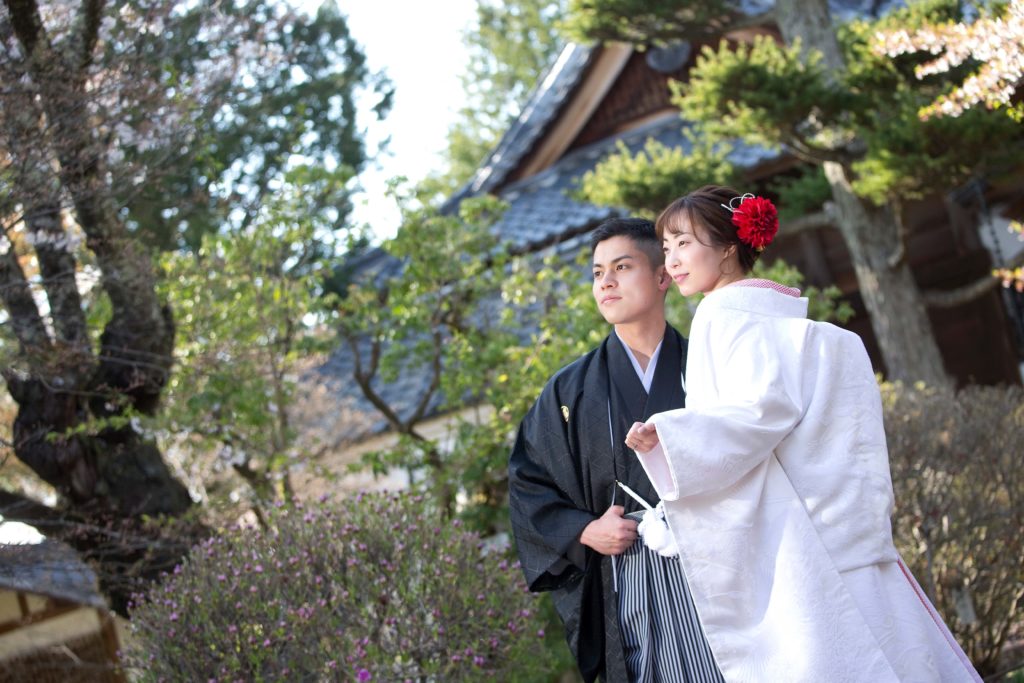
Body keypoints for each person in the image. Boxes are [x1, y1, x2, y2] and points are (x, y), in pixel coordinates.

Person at [625, 186, 982, 682]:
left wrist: (670, 437)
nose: (672, 261)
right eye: (666, 248)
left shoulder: (723, 314)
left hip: (799, 534)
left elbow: (759, 411)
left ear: (727, 247)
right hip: (834, 518)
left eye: (684, 243)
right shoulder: (779, 318)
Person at [508, 218, 725, 683]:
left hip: (717, 563)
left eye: (622, 267)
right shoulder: (569, 390)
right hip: (626, 574)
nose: (605, 281)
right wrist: (585, 530)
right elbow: (528, 480)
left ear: (663, 275)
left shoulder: (710, 365)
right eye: (597, 272)